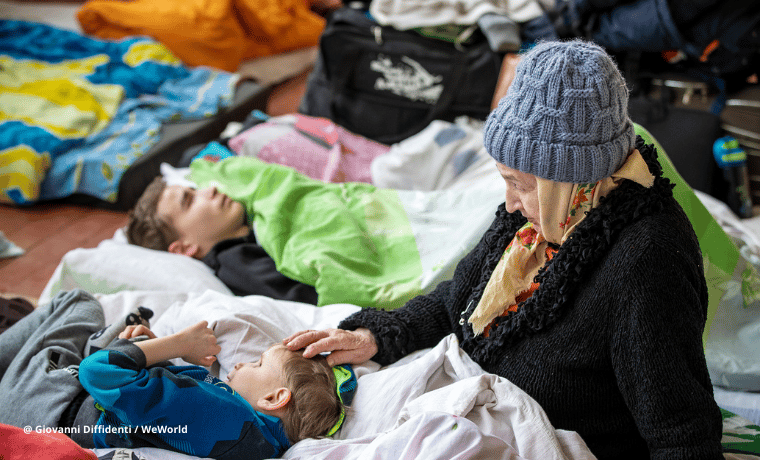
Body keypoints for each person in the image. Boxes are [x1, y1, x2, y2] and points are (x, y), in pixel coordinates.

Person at [284, 40, 725, 460]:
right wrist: (376, 336)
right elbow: (458, 301)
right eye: (505, 180)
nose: (509, 203)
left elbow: (681, 432)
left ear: (571, 178)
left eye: (519, 184)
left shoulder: (647, 259)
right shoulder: (543, 218)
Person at [0, 289, 356, 459]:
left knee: (79, 302)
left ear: (276, 398)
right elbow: (162, 413)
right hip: (59, 418)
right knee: (115, 334)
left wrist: (177, 344)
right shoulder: (253, 444)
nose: (244, 364)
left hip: (42, 406)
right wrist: (153, 354)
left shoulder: (227, 415)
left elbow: (100, 373)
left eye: (260, 364)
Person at [126, 177, 319, 304]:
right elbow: (312, 300)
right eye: (190, 201)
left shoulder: (252, 230)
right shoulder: (236, 263)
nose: (211, 189)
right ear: (184, 248)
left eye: (194, 189)